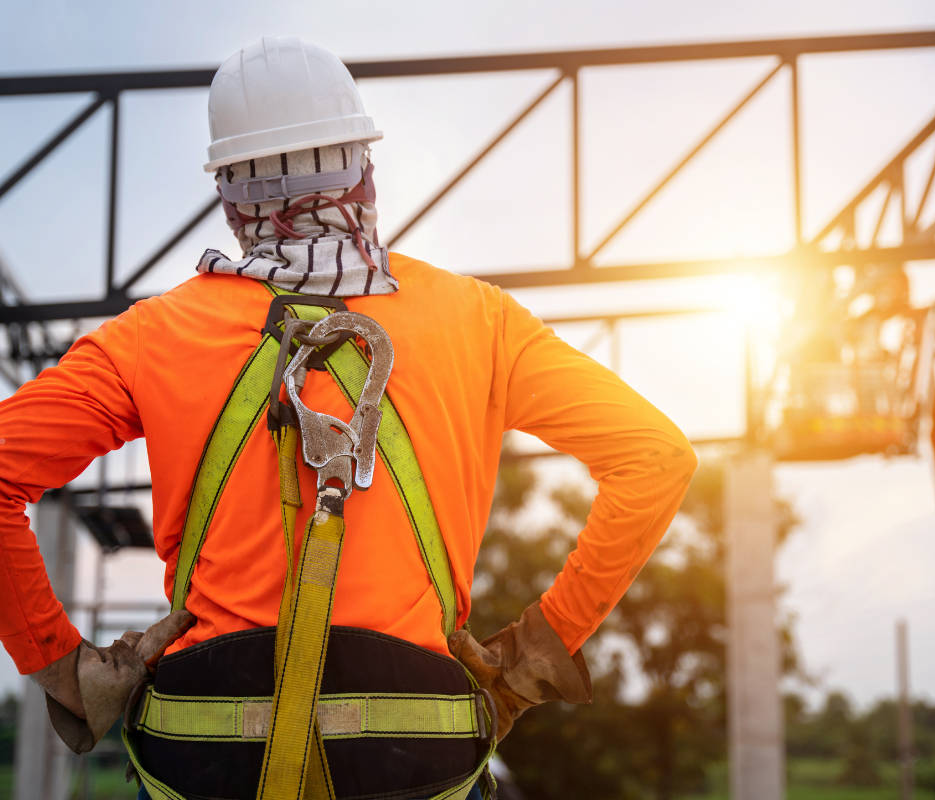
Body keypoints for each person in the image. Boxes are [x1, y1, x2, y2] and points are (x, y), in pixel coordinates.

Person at [0, 36, 696, 800]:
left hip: (204, 752)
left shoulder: (149, 337)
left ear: (230, 199)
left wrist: (61, 664)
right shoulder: (481, 323)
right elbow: (656, 458)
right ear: (366, 172)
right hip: (415, 747)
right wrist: (535, 652)